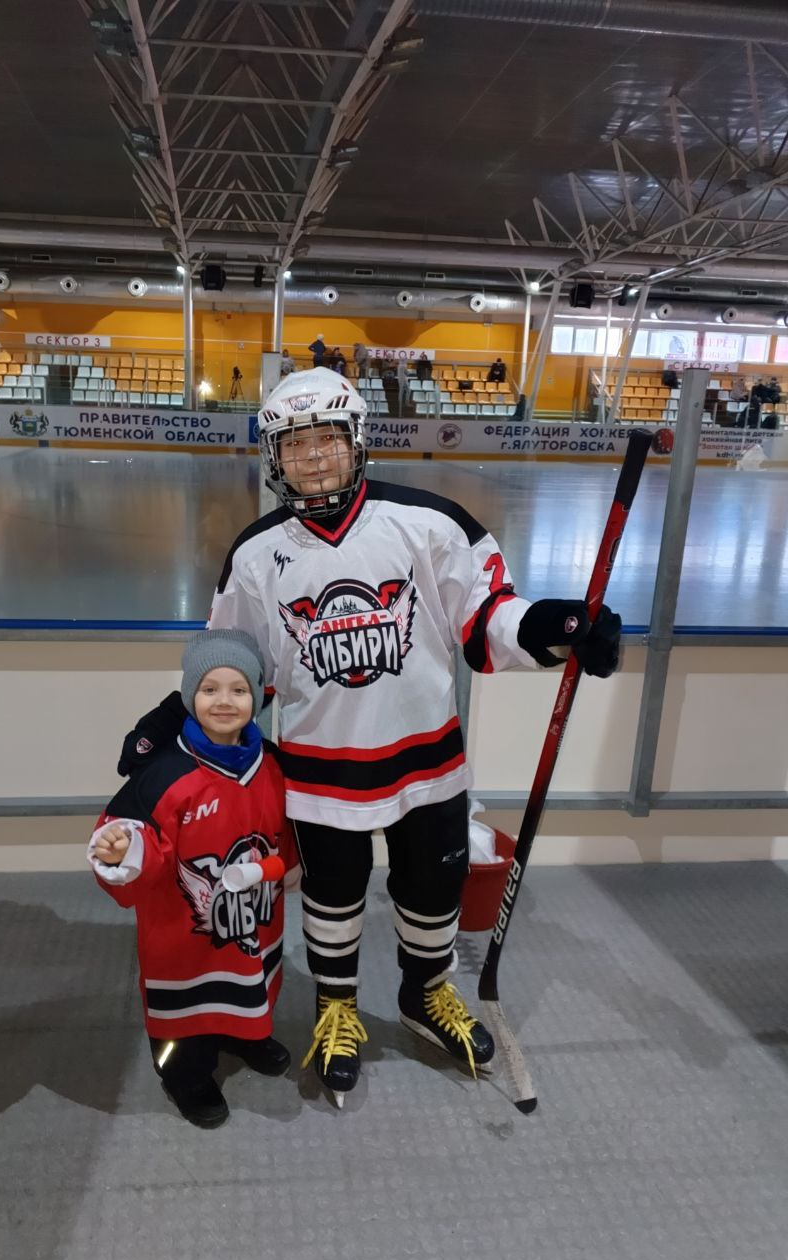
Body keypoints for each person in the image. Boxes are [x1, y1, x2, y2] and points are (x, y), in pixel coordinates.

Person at [117, 366, 622, 1108]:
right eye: (295, 445)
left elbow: (486, 620)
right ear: (273, 457)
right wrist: (170, 723)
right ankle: (337, 1008)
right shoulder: (256, 554)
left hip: (428, 764)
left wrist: (556, 625)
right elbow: (234, 668)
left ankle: (425, 994)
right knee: (333, 896)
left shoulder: (430, 522)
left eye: (327, 439)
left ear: (357, 441)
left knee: (432, 889)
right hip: (321, 775)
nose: (313, 457)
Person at [89, 629, 298, 1128]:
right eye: (209, 689)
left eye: (239, 689)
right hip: (182, 939)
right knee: (184, 1012)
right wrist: (124, 851)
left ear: (257, 696)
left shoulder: (272, 763)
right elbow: (130, 841)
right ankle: (183, 1074)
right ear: (189, 695)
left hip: (251, 919)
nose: (224, 701)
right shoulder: (163, 775)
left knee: (251, 978)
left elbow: (284, 827)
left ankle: (244, 1032)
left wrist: (290, 861)